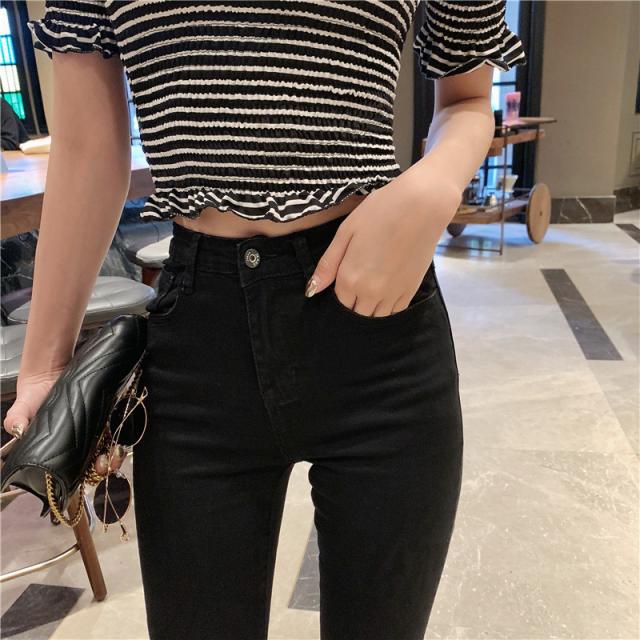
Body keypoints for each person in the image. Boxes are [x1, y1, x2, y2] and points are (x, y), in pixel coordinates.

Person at [5, 1, 527, 638]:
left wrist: (434, 184)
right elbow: (88, 148)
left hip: (377, 321)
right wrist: (44, 366)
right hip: (200, 340)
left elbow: (466, 99)